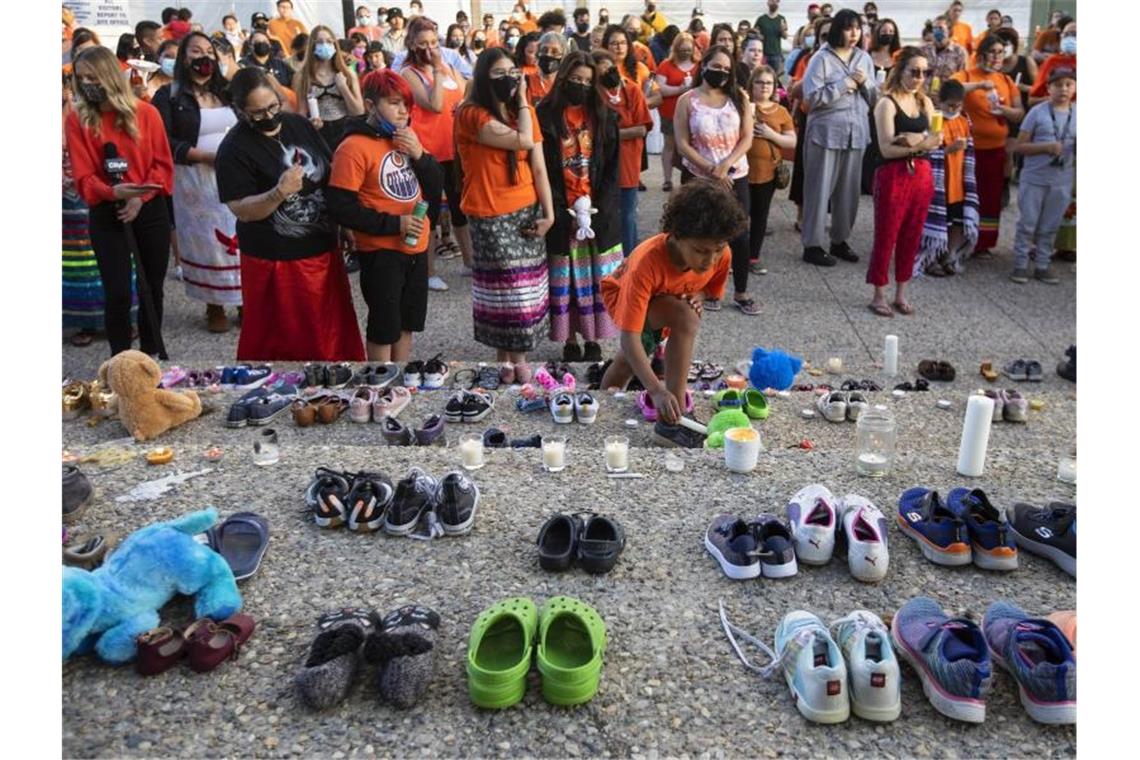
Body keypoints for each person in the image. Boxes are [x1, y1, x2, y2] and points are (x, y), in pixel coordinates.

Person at [215, 67, 364, 361]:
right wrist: (278, 192)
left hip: (322, 248)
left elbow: (329, 172)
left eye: (273, 106)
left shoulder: (298, 124)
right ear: (240, 112)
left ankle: (336, 385)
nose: (269, 116)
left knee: (330, 330)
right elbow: (242, 209)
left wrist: (344, 222)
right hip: (276, 260)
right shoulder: (233, 149)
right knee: (287, 339)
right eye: (257, 113)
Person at [599, 179, 748, 442]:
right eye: (701, 251)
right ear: (676, 235)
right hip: (628, 297)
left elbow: (708, 289)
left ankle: (611, 405)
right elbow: (629, 336)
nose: (710, 260)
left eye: (717, 250)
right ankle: (672, 417)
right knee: (672, 326)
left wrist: (697, 295)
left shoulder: (721, 254)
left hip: (668, 298)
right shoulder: (647, 262)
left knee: (631, 359)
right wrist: (656, 390)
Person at [454, 47, 555, 383]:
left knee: (524, 290)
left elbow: (539, 167)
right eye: (500, 73)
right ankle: (518, 361)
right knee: (506, 292)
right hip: (489, 215)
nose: (510, 79)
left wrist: (549, 214)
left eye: (514, 71)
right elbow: (524, 141)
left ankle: (506, 362)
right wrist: (525, 97)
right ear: (483, 77)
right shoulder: (470, 114)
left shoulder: (521, 112)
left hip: (526, 210)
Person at [64, 46, 174, 357]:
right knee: (117, 293)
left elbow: (162, 165)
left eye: (93, 77)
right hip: (106, 210)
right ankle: (121, 363)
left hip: (148, 207)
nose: (87, 83)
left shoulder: (147, 113)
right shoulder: (78, 120)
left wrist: (140, 197)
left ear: (110, 76)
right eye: (81, 78)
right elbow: (84, 176)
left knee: (151, 288)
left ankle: (150, 357)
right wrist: (114, 193)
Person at [327, 69, 442, 362]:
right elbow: (341, 207)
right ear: (370, 105)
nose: (403, 110)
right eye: (394, 103)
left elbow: (434, 188)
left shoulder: (406, 138)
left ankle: (400, 380)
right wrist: (395, 224)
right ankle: (380, 382)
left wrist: (422, 157)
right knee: (384, 324)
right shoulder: (353, 147)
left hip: (416, 246)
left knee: (407, 322)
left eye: (406, 103)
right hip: (382, 251)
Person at [152, 32, 242, 333]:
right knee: (208, 242)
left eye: (208, 51)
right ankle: (213, 304)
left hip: (234, 174)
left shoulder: (229, 91)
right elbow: (163, 139)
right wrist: (202, 155)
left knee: (240, 237)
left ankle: (245, 300)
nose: (203, 56)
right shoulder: (170, 96)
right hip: (196, 180)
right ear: (184, 57)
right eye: (195, 51)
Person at [536, 51, 623, 363]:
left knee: (594, 281)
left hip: (596, 214)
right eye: (576, 79)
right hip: (561, 211)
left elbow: (613, 170)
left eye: (588, 81)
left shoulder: (605, 117)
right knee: (565, 281)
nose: (581, 85)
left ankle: (593, 337)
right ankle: (569, 339)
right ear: (563, 79)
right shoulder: (543, 116)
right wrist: (558, 211)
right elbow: (540, 169)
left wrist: (603, 209)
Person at [673, 45, 757, 315]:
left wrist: (725, 166)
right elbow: (683, 143)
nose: (720, 72)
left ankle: (741, 290)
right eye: (716, 66)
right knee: (700, 235)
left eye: (726, 69)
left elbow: (747, 138)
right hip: (699, 175)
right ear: (704, 64)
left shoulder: (739, 98)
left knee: (740, 235)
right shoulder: (688, 100)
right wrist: (711, 168)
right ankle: (699, 287)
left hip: (735, 175)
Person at [800, 9, 877, 267]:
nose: (854, 33)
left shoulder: (864, 58)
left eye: (858, 28)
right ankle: (812, 245)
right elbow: (811, 99)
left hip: (856, 134)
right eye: (848, 27)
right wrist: (845, 85)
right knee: (819, 190)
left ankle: (840, 240)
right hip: (826, 134)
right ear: (837, 30)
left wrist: (865, 84)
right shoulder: (820, 59)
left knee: (849, 192)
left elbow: (874, 99)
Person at [866, 47, 939, 317]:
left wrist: (910, 140)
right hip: (893, 175)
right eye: (915, 71)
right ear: (901, 71)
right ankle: (878, 293)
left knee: (912, 236)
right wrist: (919, 142)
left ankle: (901, 292)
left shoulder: (925, 102)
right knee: (886, 235)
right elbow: (886, 149)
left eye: (925, 72)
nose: (920, 77)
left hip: (920, 175)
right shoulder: (886, 103)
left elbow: (936, 140)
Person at [400, 15, 473, 283]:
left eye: (433, 42)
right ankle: (428, 271)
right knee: (428, 210)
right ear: (412, 45)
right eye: (423, 44)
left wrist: (445, 71)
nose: (430, 49)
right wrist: (436, 73)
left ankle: (469, 260)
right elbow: (434, 104)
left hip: (454, 148)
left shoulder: (449, 67)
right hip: (427, 149)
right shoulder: (410, 72)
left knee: (459, 208)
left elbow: (465, 94)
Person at [62, 68, 126, 347]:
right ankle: (85, 320)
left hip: (100, 190)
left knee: (117, 260)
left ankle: (125, 318)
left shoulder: (83, 111)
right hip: (67, 195)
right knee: (77, 263)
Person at [951, 34, 1022, 256]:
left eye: (1001, 52)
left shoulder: (1007, 81)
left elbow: (1020, 114)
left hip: (995, 150)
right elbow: (951, 89)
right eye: (992, 52)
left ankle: (983, 243)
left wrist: (1005, 111)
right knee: (966, 194)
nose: (997, 56)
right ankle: (962, 239)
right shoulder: (968, 74)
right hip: (969, 149)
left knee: (990, 197)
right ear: (982, 54)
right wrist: (979, 85)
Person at [1009, 67, 1075, 285]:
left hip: (1062, 180)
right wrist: (1045, 147)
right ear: (1048, 88)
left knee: (1051, 224)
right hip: (1034, 178)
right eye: (1058, 85)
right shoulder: (1037, 112)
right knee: (1027, 223)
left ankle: (1043, 264)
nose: (1063, 89)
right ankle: (1020, 263)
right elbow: (1019, 146)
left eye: (1068, 84)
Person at [913, 78, 979, 278]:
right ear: (939, 101)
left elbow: (969, 149)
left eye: (958, 105)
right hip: (938, 183)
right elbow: (925, 151)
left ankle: (949, 255)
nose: (954, 108)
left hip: (958, 183)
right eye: (950, 105)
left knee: (956, 222)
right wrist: (947, 150)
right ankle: (930, 258)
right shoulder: (934, 121)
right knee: (935, 221)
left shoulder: (964, 120)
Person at [594, 50, 652, 258]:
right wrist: (623, 133)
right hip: (603, 164)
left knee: (627, 216)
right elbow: (594, 132)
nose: (608, 75)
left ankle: (630, 260)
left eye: (610, 69)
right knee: (605, 214)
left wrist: (611, 134)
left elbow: (642, 128)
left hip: (628, 163)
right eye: (601, 73)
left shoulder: (632, 90)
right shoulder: (594, 94)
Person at [745, 66, 795, 276]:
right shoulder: (744, 107)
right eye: (760, 82)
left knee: (760, 215)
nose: (764, 86)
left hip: (768, 173)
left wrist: (770, 134)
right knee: (737, 216)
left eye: (768, 82)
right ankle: (731, 255)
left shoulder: (781, 111)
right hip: (741, 172)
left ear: (774, 86)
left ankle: (752, 257)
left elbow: (791, 141)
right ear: (752, 85)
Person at [787, 15, 830, 233]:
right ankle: (802, 215)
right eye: (823, 36)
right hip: (810, 117)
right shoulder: (808, 58)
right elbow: (795, 89)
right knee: (805, 169)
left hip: (832, 121)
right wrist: (794, 113)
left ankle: (823, 215)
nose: (826, 40)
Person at [294, 26, 365, 151]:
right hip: (320, 134)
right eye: (320, 42)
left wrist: (343, 88)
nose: (325, 45)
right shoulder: (303, 77)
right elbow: (301, 113)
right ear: (312, 46)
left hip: (346, 130)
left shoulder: (347, 74)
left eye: (329, 41)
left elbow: (358, 111)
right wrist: (310, 124)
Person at [861, 17, 900, 195]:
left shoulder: (898, 57)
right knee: (870, 144)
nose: (888, 34)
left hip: (890, 105)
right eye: (884, 31)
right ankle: (866, 181)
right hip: (870, 105)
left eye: (891, 32)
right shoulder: (868, 56)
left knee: (885, 141)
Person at [654, 33, 698, 192]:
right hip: (669, 112)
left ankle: (689, 177)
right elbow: (660, 88)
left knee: (690, 147)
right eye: (682, 49)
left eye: (688, 49)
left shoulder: (698, 65)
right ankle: (667, 179)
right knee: (670, 145)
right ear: (675, 48)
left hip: (693, 113)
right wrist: (681, 89)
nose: (685, 52)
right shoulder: (666, 65)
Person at [920, 16, 968, 97]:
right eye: (934, 28)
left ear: (949, 31)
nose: (936, 31)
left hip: (945, 100)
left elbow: (963, 79)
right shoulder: (923, 50)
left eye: (940, 28)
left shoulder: (959, 52)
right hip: (924, 99)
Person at [1029, 20, 1075, 105]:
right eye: (1066, 34)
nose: (1070, 38)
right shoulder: (1052, 61)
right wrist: (1054, 99)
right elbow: (1032, 100)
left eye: (1074, 34)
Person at [526, 32, 566, 104]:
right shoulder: (527, 81)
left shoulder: (565, 85)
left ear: (563, 56)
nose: (548, 54)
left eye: (554, 52)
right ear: (538, 53)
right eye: (544, 50)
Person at [754, 1, 788, 76]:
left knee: (775, 76)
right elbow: (755, 34)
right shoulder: (761, 19)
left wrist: (782, 30)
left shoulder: (781, 19)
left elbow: (785, 37)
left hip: (776, 54)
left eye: (776, 1)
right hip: (763, 54)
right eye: (772, 1)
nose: (774, 3)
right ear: (768, 2)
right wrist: (758, 36)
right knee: (761, 74)